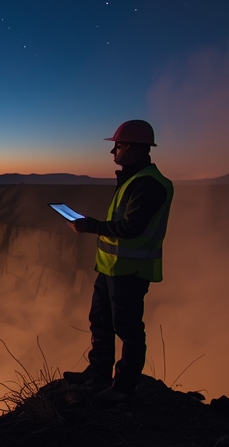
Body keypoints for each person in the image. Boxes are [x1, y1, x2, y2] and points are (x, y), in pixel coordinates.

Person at [63, 119, 174, 402]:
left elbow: (130, 228)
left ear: (136, 148)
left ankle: (124, 387)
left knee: (128, 329)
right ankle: (98, 373)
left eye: (118, 146)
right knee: (100, 320)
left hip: (130, 271)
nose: (113, 152)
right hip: (111, 269)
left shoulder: (149, 184)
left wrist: (90, 226)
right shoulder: (133, 179)